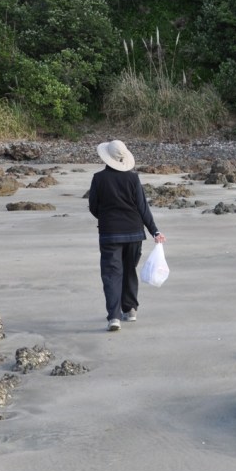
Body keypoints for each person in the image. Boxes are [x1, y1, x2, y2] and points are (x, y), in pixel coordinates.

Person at [88, 140, 166, 332]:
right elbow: (142, 207)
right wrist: (154, 230)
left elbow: (93, 207)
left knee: (111, 275)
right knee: (129, 269)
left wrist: (106, 218)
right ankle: (130, 309)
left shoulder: (99, 178)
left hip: (109, 234)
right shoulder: (133, 179)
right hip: (134, 232)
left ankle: (114, 317)